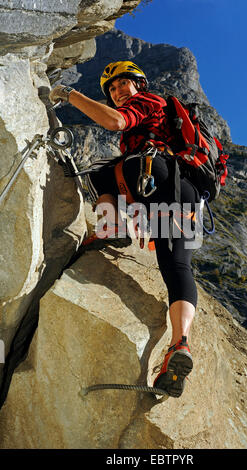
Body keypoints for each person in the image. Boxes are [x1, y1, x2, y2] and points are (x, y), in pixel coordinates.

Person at [49, 61, 198, 398]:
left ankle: (110, 226)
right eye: (112, 89)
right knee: (177, 267)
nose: (118, 92)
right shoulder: (161, 117)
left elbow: (116, 121)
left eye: (122, 84)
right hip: (183, 197)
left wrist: (69, 94)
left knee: (101, 172)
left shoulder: (148, 102)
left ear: (139, 84)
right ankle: (180, 345)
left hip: (153, 171)